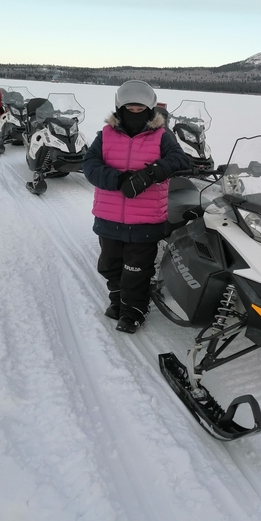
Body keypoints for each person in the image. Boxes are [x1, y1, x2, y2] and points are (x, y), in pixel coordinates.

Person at [83, 80, 189, 334]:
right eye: (129, 107)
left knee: (136, 270)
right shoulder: (106, 135)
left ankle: (134, 310)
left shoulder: (162, 136)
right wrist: (119, 180)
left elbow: (179, 159)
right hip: (108, 218)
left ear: (150, 109)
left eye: (140, 108)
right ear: (119, 108)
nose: (134, 111)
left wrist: (149, 175)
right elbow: (89, 165)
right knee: (110, 265)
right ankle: (118, 300)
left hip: (145, 220)